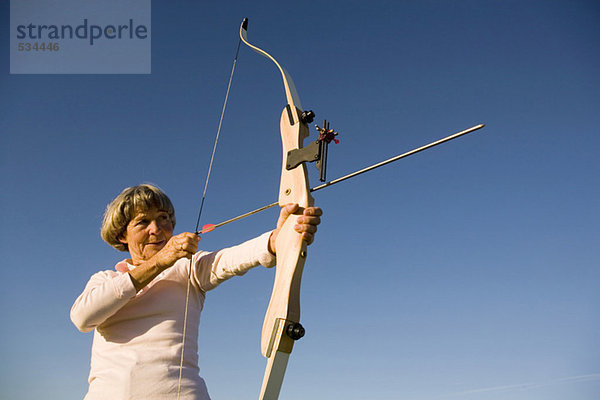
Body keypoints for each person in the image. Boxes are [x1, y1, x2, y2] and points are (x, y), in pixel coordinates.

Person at [70, 184, 322, 400]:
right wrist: (159, 262)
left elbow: (230, 259)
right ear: (121, 235)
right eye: (143, 222)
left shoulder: (190, 268)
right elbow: (83, 317)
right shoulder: (105, 280)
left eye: (163, 218)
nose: (156, 229)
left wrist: (280, 238)